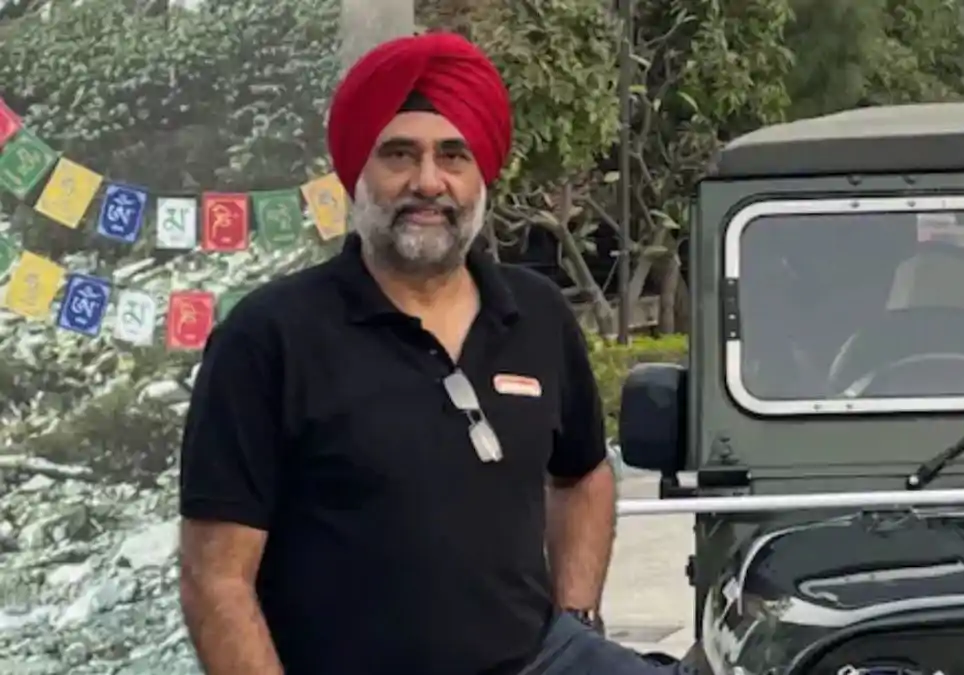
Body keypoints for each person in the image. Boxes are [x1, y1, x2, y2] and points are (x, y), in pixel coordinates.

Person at [178, 32, 688, 675]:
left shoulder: (535, 314)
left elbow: (583, 474)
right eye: (399, 154)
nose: (427, 181)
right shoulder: (268, 337)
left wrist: (575, 621)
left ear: (481, 175)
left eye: (453, 155)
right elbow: (215, 578)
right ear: (358, 173)